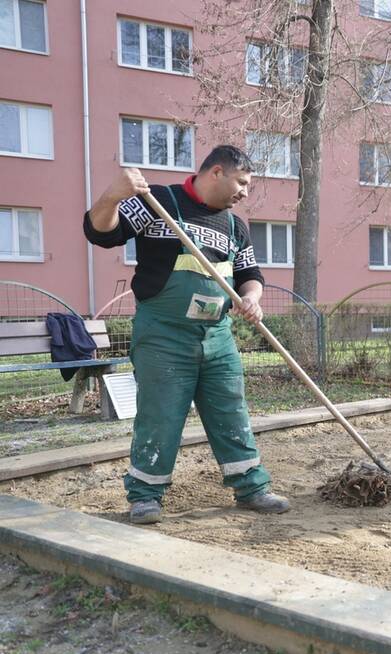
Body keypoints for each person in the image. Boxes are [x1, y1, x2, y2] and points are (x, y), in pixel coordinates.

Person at [84, 145, 290, 524]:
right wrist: (113, 194)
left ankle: (251, 487)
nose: (245, 192)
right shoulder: (157, 201)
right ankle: (145, 496)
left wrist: (251, 300)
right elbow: (100, 233)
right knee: (159, 415)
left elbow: (251, 277)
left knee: (231, 410)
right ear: (216, 172)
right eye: (242, 183)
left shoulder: (234, 226)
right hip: (164, 336)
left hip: (217, 336)